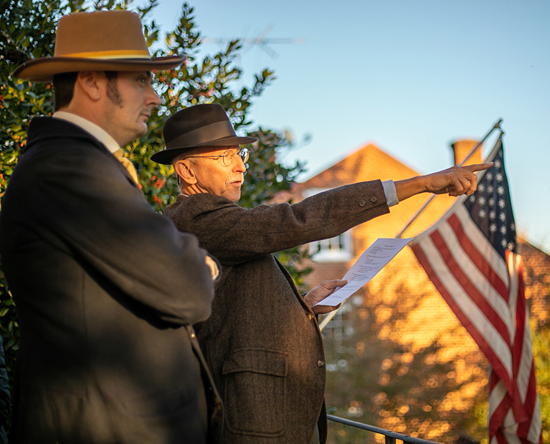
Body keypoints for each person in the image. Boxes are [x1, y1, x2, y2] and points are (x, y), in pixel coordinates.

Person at [150, 104, 492, 444]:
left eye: (239, 155)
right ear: (187, 171)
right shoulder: (195, 219)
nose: (240, 166)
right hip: (254, 423)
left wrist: (302, 307)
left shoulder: (215, 221)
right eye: (225, 157)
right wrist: (417, 184)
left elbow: (228, 313)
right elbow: (292, 221)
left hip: (271, 418)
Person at [0, 11, 223, 444]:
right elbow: (190, 290)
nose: (155, 97)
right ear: (92, 82)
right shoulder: (70, 166)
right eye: (141, 80)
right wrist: (205, 265)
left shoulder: (76, 163)